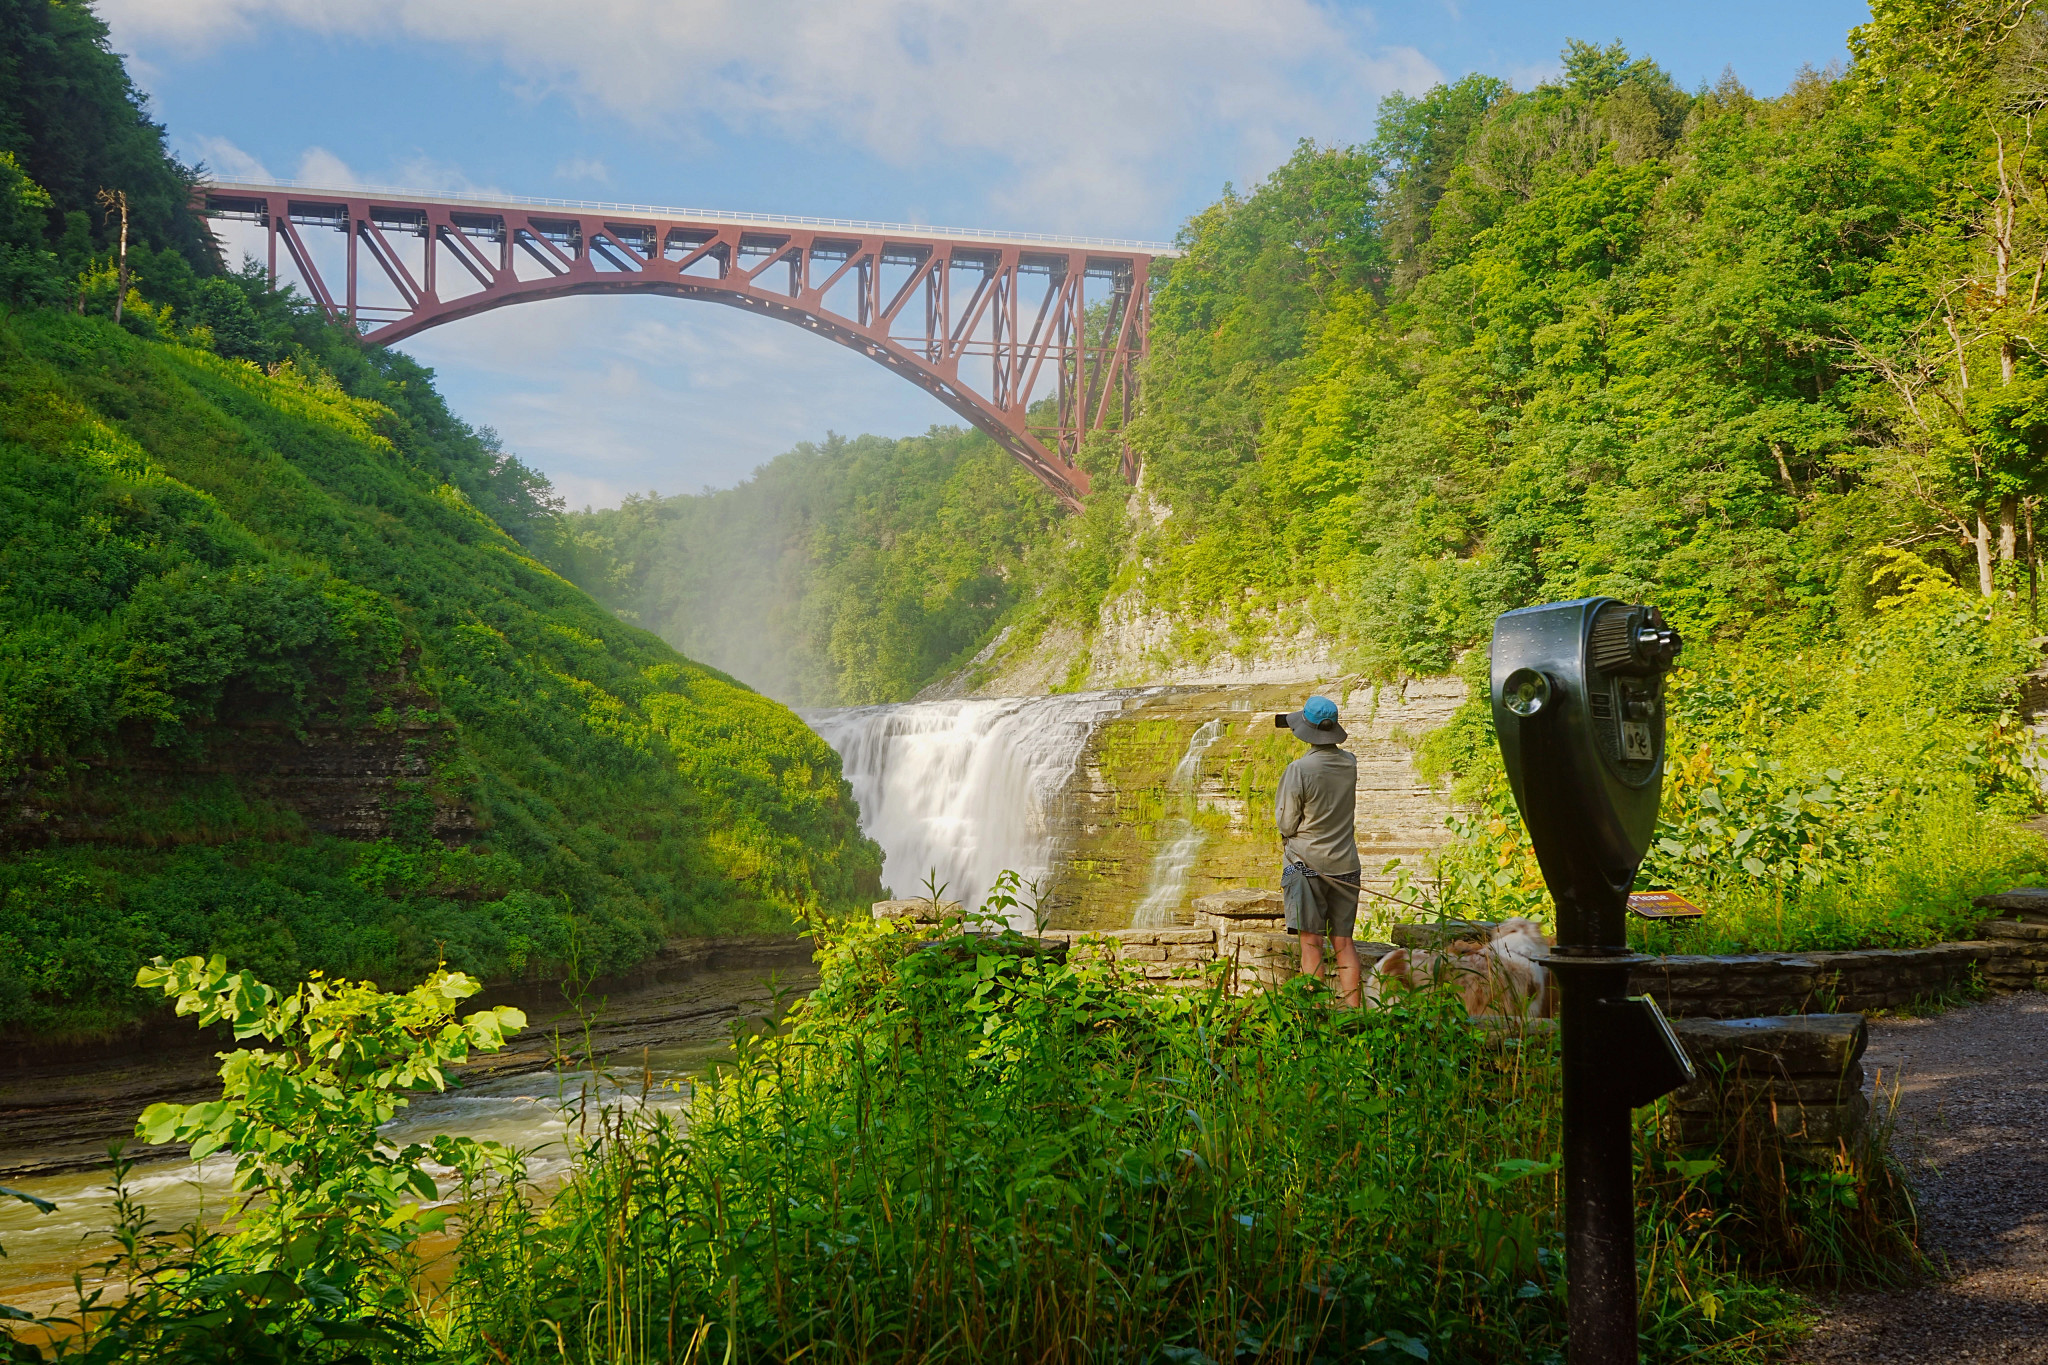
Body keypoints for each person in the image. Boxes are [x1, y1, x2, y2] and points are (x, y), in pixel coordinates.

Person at [1274, 695, 1363, 1005]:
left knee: (1311, 943)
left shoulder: (1299, 769)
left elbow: (1286, 824)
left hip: (1306, 867)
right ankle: (1355, 1013)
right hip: (1347, 865)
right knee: (1343, 942)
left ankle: (1314, 1016)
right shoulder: (1349, 762)